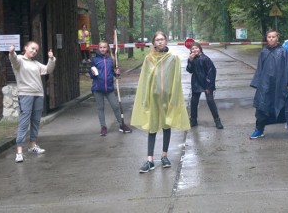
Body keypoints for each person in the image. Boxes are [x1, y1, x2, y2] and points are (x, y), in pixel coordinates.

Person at [130, 32, 190, 173]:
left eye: (162, 39)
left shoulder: (173, 58)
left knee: (166, 126)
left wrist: (174, 98)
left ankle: (164, 155)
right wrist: (145, 98)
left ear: (166, 40)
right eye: (157, 40)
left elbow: (176, 80)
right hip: (153, 99)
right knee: (152, 127)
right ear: (154, 42)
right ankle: (150, 159)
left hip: (167, 99)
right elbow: (144, 80)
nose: (160, 42)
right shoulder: (149, 59)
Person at [249, 29, 288, 140]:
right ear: (266, 39)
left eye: (273, 37)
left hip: (282, 85)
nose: (271, 39)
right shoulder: (263, 52)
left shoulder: (283, 52)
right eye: (269, 37)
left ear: (277, 39)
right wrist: (259, 84)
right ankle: (259, 129)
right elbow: (260, 69)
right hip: (266, 85)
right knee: (263, 107)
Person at [8, 41, 56, 163]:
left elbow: (48, 70)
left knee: (35, 121)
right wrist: (12, 52)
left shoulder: (36, 63)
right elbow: (13, 60)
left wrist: (51, 59)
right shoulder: (19, 60)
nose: (34, 51)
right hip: (25, 95)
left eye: (36, 50)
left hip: (38, 95)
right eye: (32, 48)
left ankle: (33, 145)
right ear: (26, 48)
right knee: (24, 122)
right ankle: (19, 152)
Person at [89, 41, 133, 136]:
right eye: (101, 47)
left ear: (107, 48)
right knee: (100, 108)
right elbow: (91, 74)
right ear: (98, 48)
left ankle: (121, 125)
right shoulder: (95, 60)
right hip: (97, 88)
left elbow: (114, 74)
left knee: (116, 106)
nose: (103, 49)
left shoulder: (111, 60)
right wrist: (92, 73)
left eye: (104, 47)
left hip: (109, 88)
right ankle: (103, 127)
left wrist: (117, 73)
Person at [186, 42, 223, 129]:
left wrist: (208, 86)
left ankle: (217, 120)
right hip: (196, 83)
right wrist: (190, 61)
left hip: (207, 83)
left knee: (210, 101)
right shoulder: (192, 59)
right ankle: (193, 120)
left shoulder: (206, 59)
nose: (195, 50)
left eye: (196, 48)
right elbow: (189, 70)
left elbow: (212, 72)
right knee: (194, 102)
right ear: (191, 51)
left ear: (200, 49)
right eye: (193, 49)